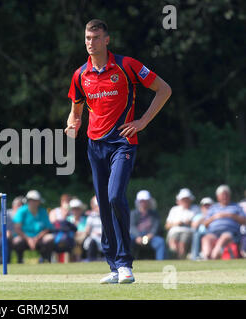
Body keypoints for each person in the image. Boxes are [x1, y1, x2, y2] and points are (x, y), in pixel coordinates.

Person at [64, 19, 171, 283]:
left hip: (122, 142)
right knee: (103, 206)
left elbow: (164, 90)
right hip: (94, 145)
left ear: (107, 39)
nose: (91, 42)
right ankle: (113, 266)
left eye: (96, 37)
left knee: (114, 197)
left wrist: (142, 122)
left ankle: (125, 264)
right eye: (88, 38)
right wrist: (71, 124)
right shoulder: (80, 75)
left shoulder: (126, 65)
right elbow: (76, 111)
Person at [201, 185, 246, 260]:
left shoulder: (236, 207)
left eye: (226, 194)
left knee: (224, 237)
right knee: (206, 239)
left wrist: (231, 215)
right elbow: (205, 224)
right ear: (218, 196)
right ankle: (206, 257)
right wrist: (215, 217)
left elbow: (244, 221)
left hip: (231, 233)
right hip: (213, 233)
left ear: (230, 196)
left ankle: (214, 256)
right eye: (222, 195)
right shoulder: (213, 208)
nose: (224, 197)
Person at [12, 190, 55, 263]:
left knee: (50, 238)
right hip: (24, 238)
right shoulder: (21, 211)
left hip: (39, 238)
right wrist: (28, 239)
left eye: (35, 200)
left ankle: (45, 259)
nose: (33, 202)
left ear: (39, 201)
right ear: (27, 201)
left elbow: (47, 228)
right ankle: (20, 260)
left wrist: (36, 239)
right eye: (31, 200)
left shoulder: (43, 211)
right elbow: (17, 228)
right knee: (17, 241)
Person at [130, 190, 166, 261]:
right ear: (138, 202)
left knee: (160, 242)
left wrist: (150, 235)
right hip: (136, 237)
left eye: (145, 201)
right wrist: (138, 237)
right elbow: (132, 226)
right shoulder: (133, 213)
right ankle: (126, 263)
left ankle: (161, 262)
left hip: (151, 237)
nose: (143, 203)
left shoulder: (155, 214)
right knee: (127, 240)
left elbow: (156, 227)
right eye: (141, 201)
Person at [165, 188, 198, 259]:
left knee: (182, 244)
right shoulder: (174, 209)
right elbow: (167, 226)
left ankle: (180, 260)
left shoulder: (195, 209)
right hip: (174, 232)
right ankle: (174, 259)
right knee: (173, 244)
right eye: (183, 199)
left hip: (188, 231)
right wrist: (176, 224)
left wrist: (189, 223)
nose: (185, 201)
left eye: (187, 199)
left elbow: (198, 223)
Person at [83, 196, 103, 261]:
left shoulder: (108, 216)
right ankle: (91, 259)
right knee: (92, 242)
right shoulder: (91, 217)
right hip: (94, 238)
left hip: (106, 237)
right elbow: (87, 231)